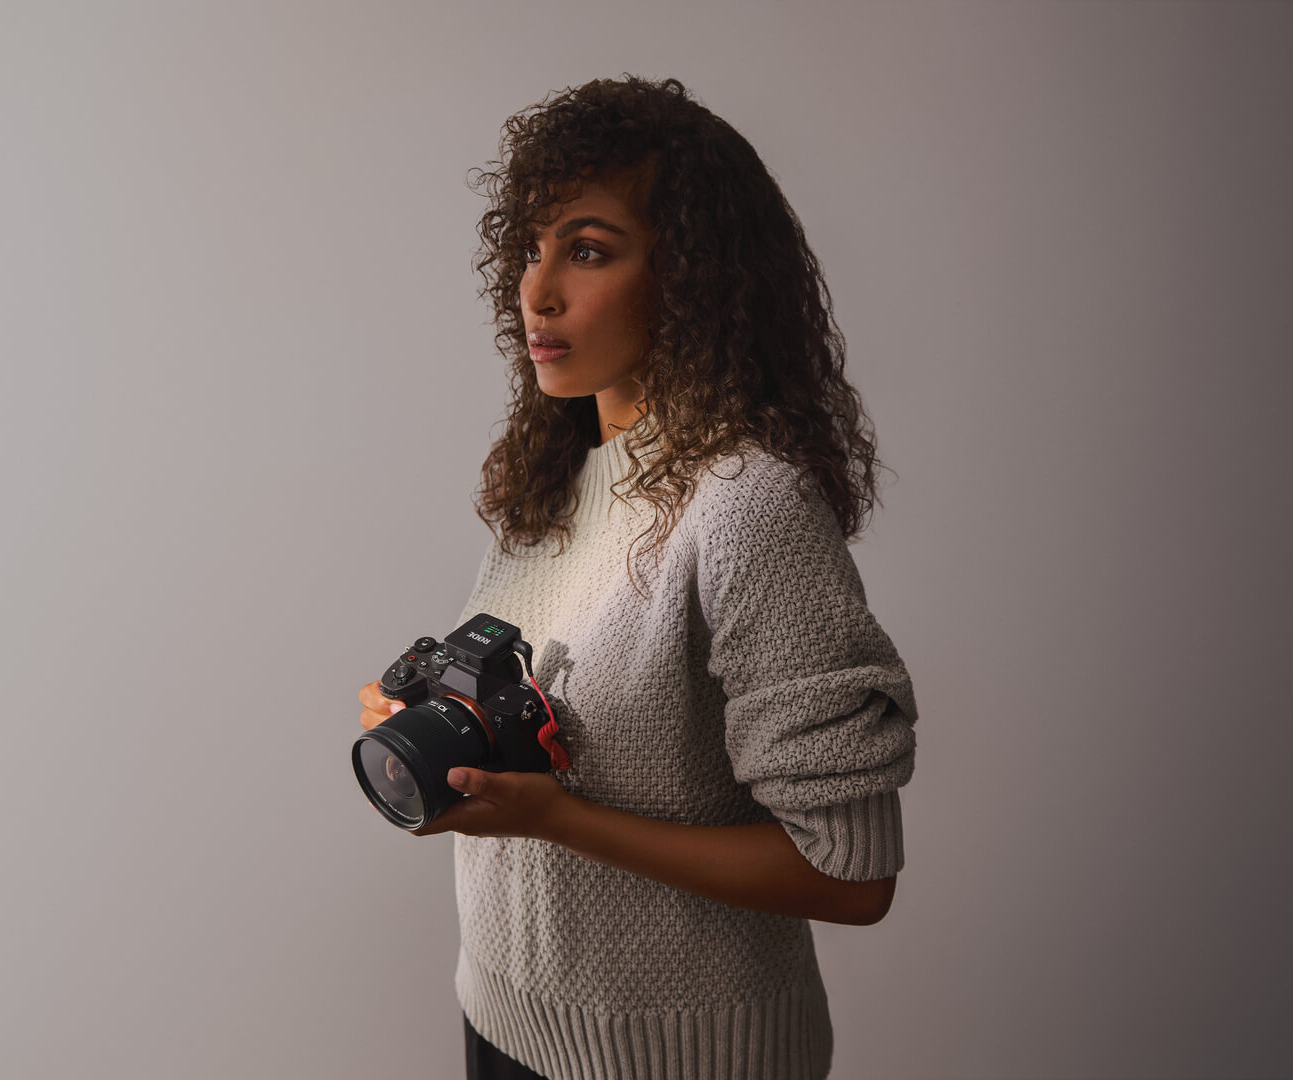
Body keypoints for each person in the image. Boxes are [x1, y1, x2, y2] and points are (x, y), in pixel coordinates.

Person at [357, 75, 918, 1080]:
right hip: (498, 1020)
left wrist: (558, 821)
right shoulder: (555, 478)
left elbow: (851, 871)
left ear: (695, 277)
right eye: (530, 250)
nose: (538, 289)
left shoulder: (748, 504)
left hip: (673, 1060)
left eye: (588, 249)